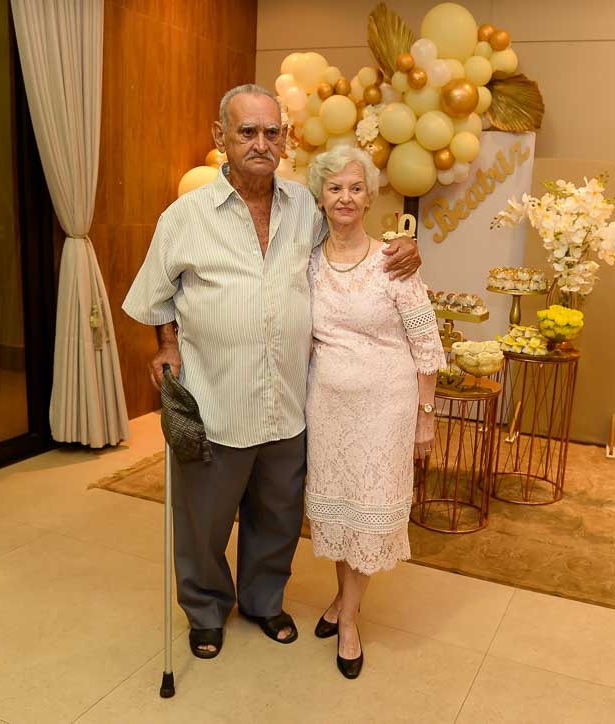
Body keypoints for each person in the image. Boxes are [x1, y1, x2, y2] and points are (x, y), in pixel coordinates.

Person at [121, 85, 420, 659]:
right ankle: (206, 609)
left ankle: (262, 601)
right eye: (247, 132)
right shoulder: (184, 218)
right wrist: (166, 344)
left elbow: (349, 247)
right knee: (204, 520)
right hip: (217, 398)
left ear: (284, 140)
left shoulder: (305, 206)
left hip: (287, 401)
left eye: (271, 132)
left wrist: (403, 249)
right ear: (221, 137)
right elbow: (155, 295)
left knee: (277, 517)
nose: (261, 143)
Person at [305, 146, 445, 679]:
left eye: (355, 187)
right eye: (335, 187)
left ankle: (349, 620)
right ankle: (342, 600)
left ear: (369, 199)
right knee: (341, 511)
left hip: (386, 409)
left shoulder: (394, 261)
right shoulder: (307, 261)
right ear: (321, 197)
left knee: (370, 510)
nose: (345, 197)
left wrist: (425, 415)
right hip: (328, 408)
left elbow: (426, 342)